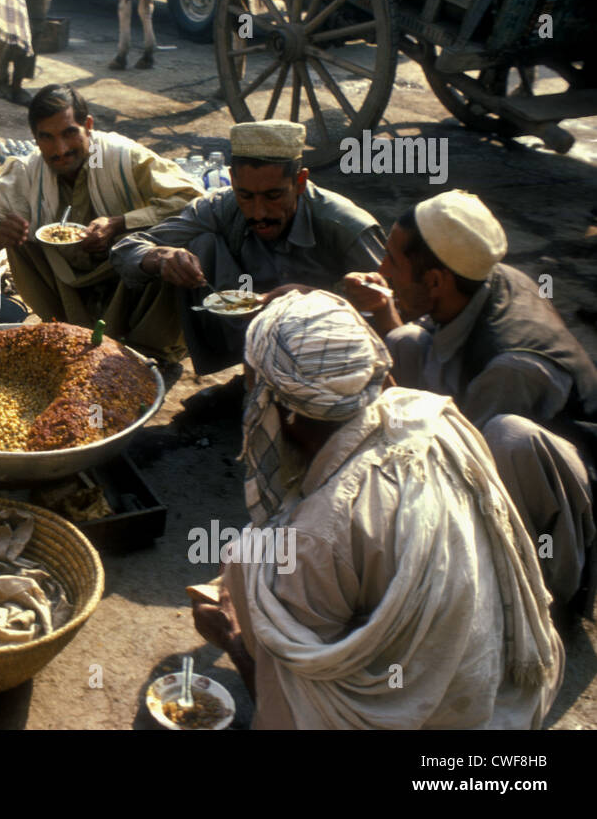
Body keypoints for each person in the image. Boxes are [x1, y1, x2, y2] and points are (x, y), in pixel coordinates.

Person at [193, 289, 562, 729]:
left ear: (275, 405)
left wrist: (235, 642)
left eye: (253, 386)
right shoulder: (433, 418)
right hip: (506, 702)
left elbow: (301, 714)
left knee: (247, 563)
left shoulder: (319, 533)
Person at [343, 190, 597, 609]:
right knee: (403, 339)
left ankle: (531, 592)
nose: (382, 269)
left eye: (393, 260)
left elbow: (464, 472)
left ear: (437, 280)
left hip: (561, 512)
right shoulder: (483, 280)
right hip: (485, 437)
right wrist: (386, 310)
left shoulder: (511, 368)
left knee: (506, 435)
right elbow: (428, 345)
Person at [110, 120, 385, 375]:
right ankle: (246, 375)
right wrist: (161, 257)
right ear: (232, 179)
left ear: (299, 182)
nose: (258, 212)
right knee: (199, 242)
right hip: (253, 343)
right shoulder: (222, 206)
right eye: (246, 195)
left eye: (273, 196)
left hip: (334, 358)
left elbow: (398, 309)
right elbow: (127, 248)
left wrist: (317, 300)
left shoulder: (345, 226)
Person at [0, 84, 201, 362]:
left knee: (181, 242)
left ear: (89, 126)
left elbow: (191, 200)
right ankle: (65, 335)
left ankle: (151, 355)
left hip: (129, 282)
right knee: (19, 240)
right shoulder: (22, 176)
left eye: (69, 133)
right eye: (46, 138)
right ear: (34, 139)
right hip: (61, 287)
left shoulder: (123, 157)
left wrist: (120, 223)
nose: (59, 150)